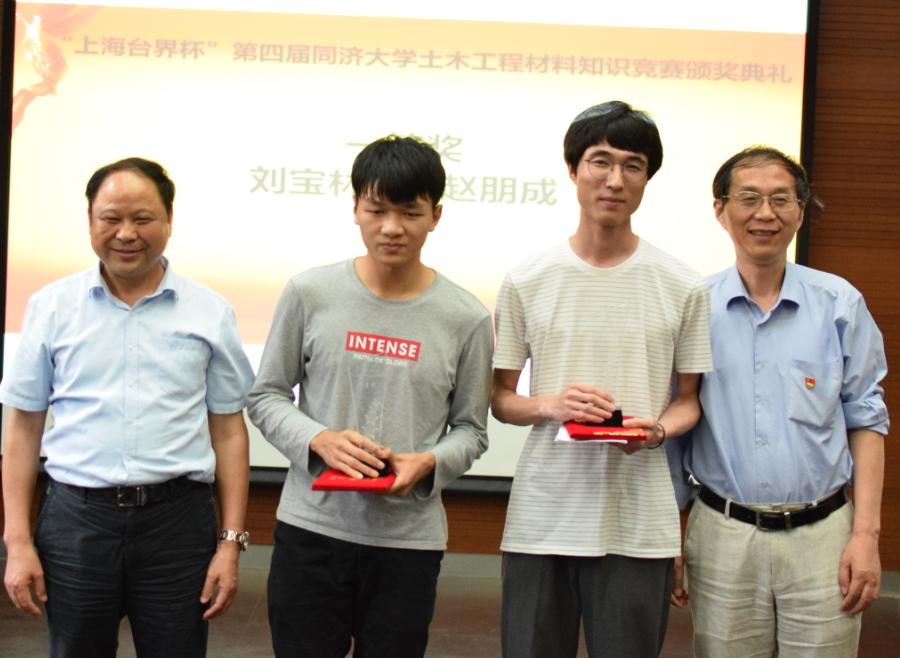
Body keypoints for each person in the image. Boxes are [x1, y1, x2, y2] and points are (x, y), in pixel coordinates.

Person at [247, 135, 493, 658]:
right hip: (311, 531)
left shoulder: (466, 317)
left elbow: (472, 431)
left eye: (410, 212)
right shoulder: (309, 293)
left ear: (436, 216)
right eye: (377, 209)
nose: (391, 227)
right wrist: (319, 439)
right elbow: (266, 395)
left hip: (408, 542)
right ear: (356, 208)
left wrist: (429, 462)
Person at [1, 157, 254, 658]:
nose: (126, 234)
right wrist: (18, 542)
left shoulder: (209, 311)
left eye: (142, 219)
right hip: (77, 523)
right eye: (111, 218)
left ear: (168, 221)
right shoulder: (51, 307)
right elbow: (23, 429)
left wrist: (230, 543)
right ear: (90, 220)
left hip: (177, 525)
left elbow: (228, 431)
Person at [490, 101, 712, 658]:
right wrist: (552, 405)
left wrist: (656, 432)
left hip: (638, 521)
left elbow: (689, 401)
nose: (615, 180)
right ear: (573, 169)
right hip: (543, 518)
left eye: (632, 165)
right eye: (600, 161)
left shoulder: (683, 284)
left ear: (647, 178)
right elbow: (500, 398)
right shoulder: (527, 278)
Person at [680, 146, 888, 657]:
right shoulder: (694, 307)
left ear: (800, 210)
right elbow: (676, 426)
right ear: (720, 209)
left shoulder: (839, 304)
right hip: (723, 535)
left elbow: (866, 420)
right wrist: (671, 534)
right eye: (748, 198)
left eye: (780, 199)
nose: (765, 214)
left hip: (824, 538)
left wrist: (866, 535)